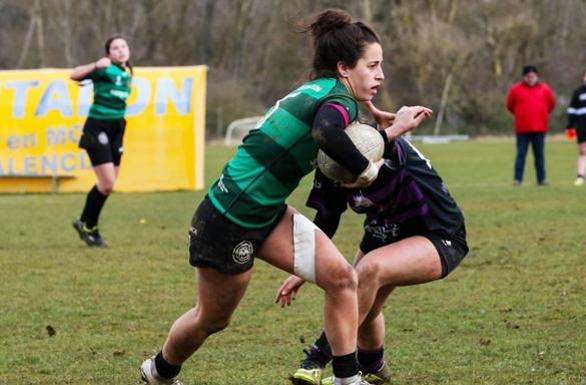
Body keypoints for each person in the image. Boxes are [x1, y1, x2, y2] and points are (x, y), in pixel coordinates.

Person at [139, 9, 431, 385]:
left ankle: (347, 378)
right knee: (211, 319)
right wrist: (371, 167)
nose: (380, 75)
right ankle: (159, 372)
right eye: (372, 66)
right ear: (344, 68)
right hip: (227, 218)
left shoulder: (324, 92)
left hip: (265, 212)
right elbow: (329, 136)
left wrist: (377, 131)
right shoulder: (337, 100)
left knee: (342, 279)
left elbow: (335, 145)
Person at [275, 131, 468, 385]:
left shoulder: (384, 149)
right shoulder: (330, 164)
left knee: (368, 272)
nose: (346, 184)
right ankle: (373, 366)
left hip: (438, 234)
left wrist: (399, 121)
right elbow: (327, 221)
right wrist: (303, 270)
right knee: (364, 301)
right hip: (383, 231)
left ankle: (316, 359)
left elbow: (389, 131)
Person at [70, 35, 133, 247]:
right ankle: (90, 227)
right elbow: (74, 75)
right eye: (115, 48)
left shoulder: (126, 72)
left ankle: (84, 223)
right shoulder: (104, 68)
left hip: (117, 128)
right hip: (97, 126)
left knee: (107, 185)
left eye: (123, 46)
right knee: (107, 183)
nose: (121, 50)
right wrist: (96, 64)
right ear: (108, 53)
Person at [506, 64, 555, 186]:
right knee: (521, 155)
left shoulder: (545, 89)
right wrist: (520, 114)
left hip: (539, 128)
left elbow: (551, 104)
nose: (531, 79)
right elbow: (509, 105)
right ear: (524, 77)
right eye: (528, 76)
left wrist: (542, 114)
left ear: (537, 76)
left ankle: (541, 179)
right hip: (522, 129)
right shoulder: (515, 89)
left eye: (533, 76)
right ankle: (518, 179)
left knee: (539, 155)